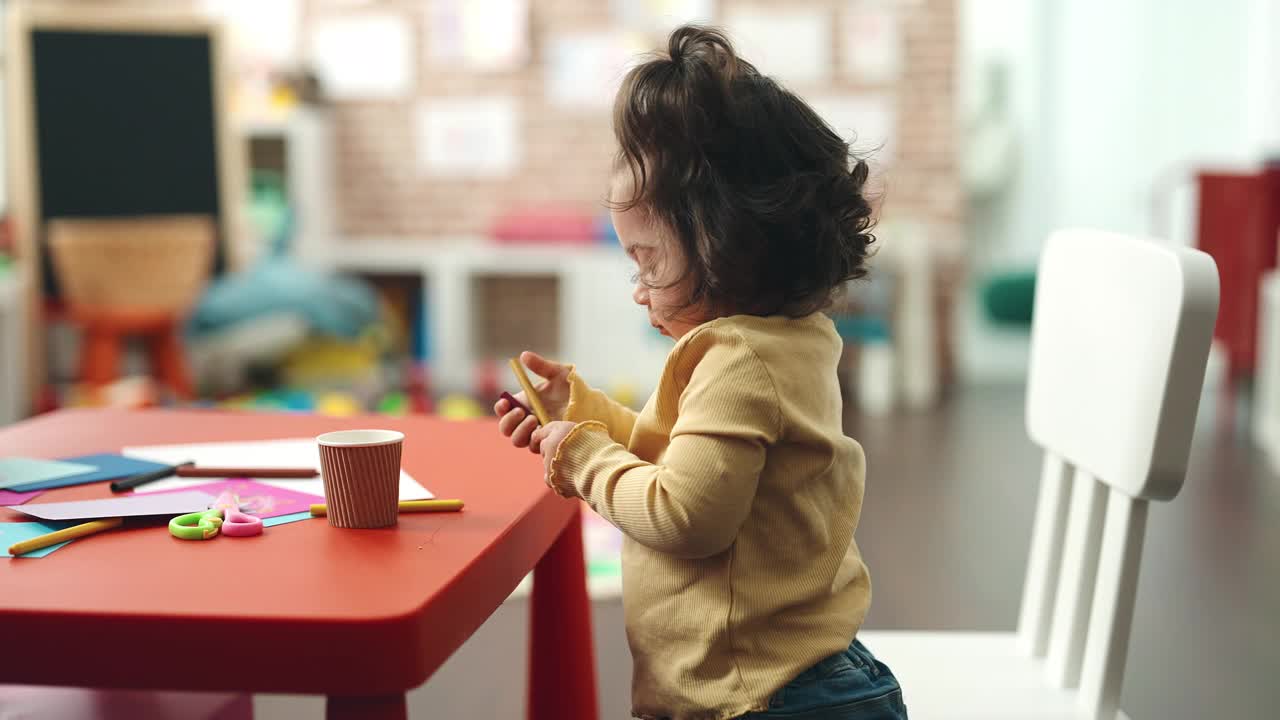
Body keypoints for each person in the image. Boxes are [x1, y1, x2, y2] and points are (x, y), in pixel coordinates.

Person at [494, 24, 906, 720]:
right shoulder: (777, 341)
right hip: (775, 677)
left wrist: (580, 455)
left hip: (767, 696)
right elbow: (681, 454)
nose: (638, 285)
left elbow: (685, 515)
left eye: (648, 260)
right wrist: (581, 411)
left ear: (725, 241)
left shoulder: (739, 361)